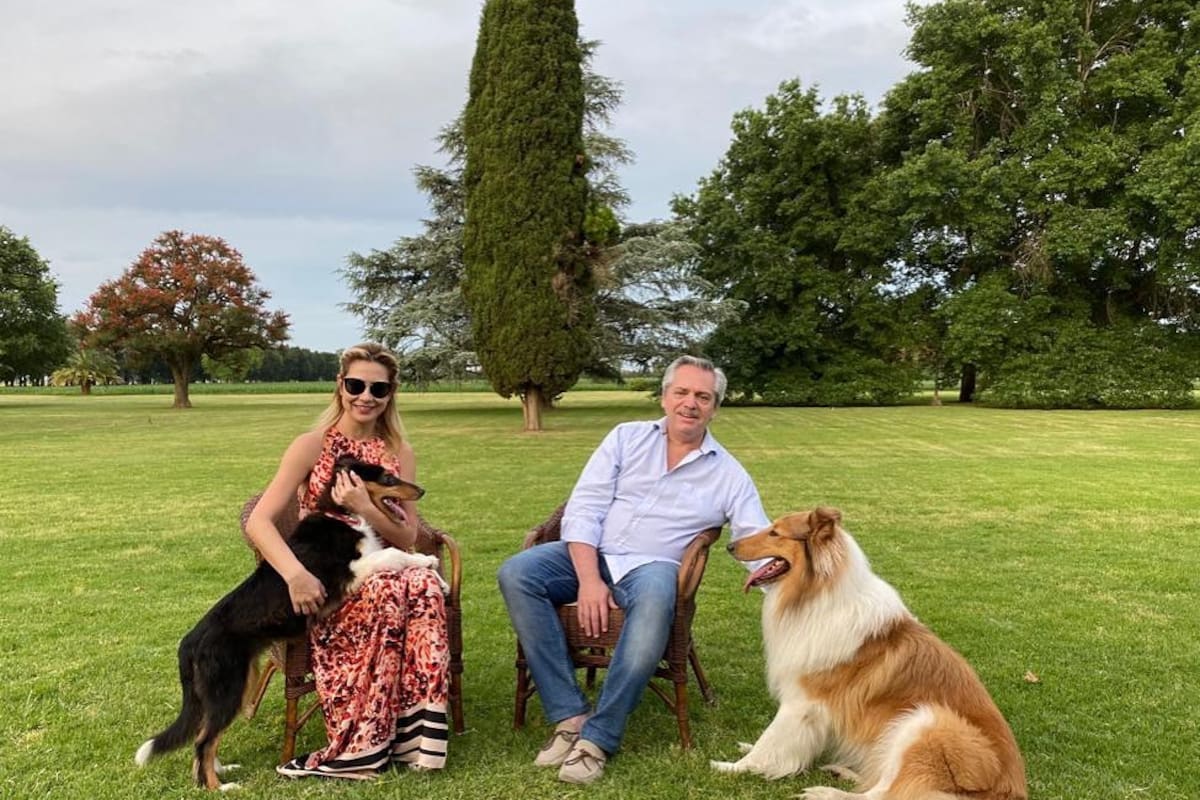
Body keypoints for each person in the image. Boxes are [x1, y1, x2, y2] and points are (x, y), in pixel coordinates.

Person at [497, 355, 770, 785]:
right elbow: (584, 508)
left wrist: (797, 588)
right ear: (664, 397)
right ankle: (569, 715)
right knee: (517, 572)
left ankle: (597, 739)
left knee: (658, 598)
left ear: (715, 408)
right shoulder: (625, 438)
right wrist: (589, 580)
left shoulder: (729, 475)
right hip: (592, 554)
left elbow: (755, 540)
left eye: (703, 396)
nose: (690, 404)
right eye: (681, 392)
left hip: (654, 569)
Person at [245, 343, 449, 780]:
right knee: (394, 586)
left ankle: (417, 741)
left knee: (422, 584)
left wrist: (366, 505)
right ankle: (363, 744)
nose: (366, 396)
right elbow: (260, 521)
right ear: (340, 386)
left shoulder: (397, 452)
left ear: (392, 393)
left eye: (379, 388)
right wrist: (296, 575)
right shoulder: (312, 446)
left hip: (379, 569)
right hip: (332, 586)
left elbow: (408, 536)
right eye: (356, 384)